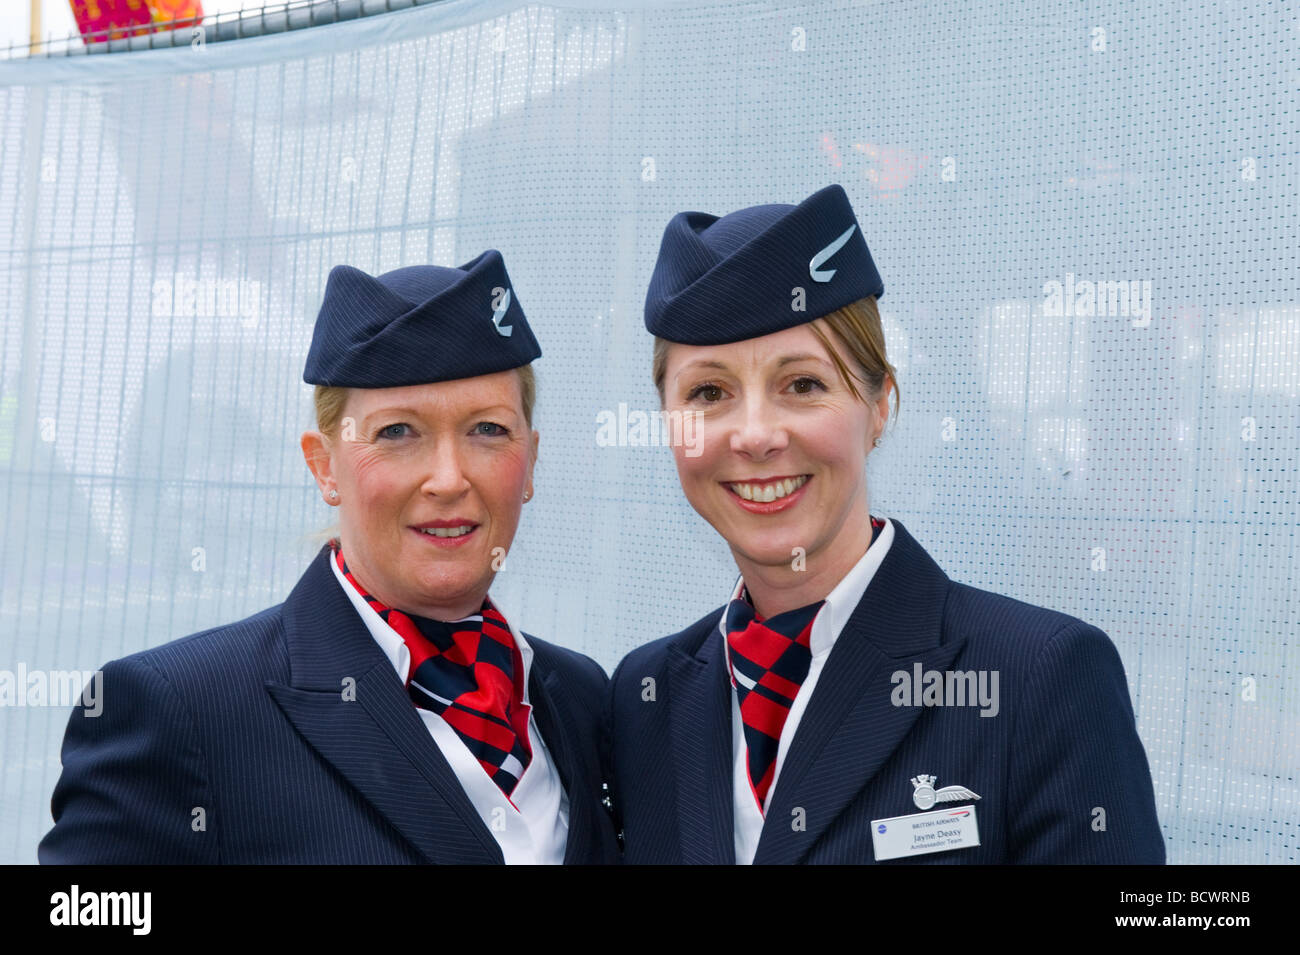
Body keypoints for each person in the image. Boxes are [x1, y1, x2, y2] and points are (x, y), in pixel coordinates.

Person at [607, 185, 1164, 864]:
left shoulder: (1039, 679)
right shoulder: (648, 698)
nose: (754, 436)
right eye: (709, 393)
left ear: (880, 405)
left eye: (803, 384)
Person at [40, 251, 619, 864]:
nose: (448, 479)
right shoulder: (183, 712)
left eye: (487, 430)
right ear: (324, 467)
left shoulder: (579, 699)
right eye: (397, 432)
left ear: (530, 460)